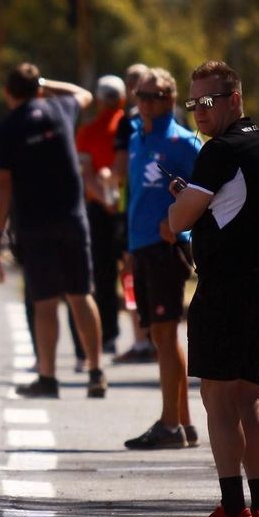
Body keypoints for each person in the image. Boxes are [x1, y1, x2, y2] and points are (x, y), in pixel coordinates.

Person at [168, 61, 259, 517]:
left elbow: (178, 219)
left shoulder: (219, 151)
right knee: (248, 396)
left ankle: (232, 510)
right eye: (193, 103)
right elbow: (228, 208)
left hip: (227, 288)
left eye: (209, 101)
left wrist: (182, 204)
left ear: (234, 99)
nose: (200, 112)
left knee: (217, 397)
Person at [0, 62, 107, 399]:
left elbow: (1, 185)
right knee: (81, 296)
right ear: (37, 90)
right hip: (73, 218)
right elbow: (84, 95)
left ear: (9, 93)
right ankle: (96, 372)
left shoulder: (6, 129)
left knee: (45, 303)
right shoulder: (61, 107)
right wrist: (46, 83)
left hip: (35, 225)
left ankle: (48, 378)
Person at [122, 67, 201, 450]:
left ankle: (170, 423)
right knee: (160, 336)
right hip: (140, 245)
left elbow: (207, 193)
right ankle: (182, 422)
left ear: (170, 99)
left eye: (153, 96)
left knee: (167, 335)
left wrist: (181, 231)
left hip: (166, 248)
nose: (145, 102)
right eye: (141, 95)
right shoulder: (137, 137)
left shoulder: (183, 142)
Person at [75, 74, 126, 357]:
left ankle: (110, 332)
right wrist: (106, 198)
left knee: (105, 273)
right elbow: (86, 172)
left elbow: (86, 174)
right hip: (112, 206)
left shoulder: (108, 128)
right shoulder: (96, 130)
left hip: (106, 206)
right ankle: (110, 333)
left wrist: (102, 197)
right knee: (108, 273)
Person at [112, 63, 157, 364]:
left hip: (134, 207)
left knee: (131, 274)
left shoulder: (128, 123)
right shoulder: (172, 117)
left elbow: (119, 170)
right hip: (157, 207)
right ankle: (149, 336)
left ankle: (143, 339)